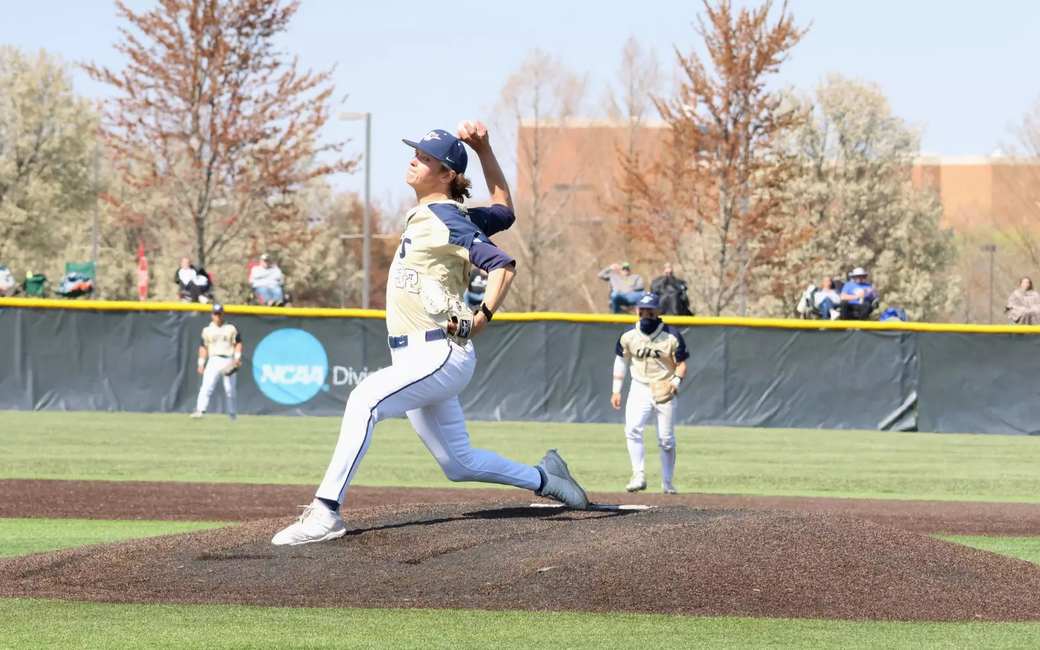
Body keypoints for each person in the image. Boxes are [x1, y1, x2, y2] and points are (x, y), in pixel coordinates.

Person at [271, 121, 590, 546]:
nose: (414, 160)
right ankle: (546, 478)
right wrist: (485, 151)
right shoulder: (446, 216)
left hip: (439, 353)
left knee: (364, 399)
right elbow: (505, 210)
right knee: (459, 463)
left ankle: (326, 511)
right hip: (416, 357)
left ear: (446, 175)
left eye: (425, 158)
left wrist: (482, 317)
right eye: (416, 153)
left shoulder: (446, 219)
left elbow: (503, 266)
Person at [610, 293, 689, 494]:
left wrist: (676, 381)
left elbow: (681, 365)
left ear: (658, 311)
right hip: (639, 387)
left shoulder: (671, 334)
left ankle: (668, 483)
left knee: (666, 439)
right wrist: (616, 390)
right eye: (642, 310)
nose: (646, 313)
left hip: (664, 387)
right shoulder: (629, 334)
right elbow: (621, 360)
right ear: (637, 310)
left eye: (650, 310)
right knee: (632, 430)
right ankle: (638, 475)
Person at [191, 303, 242, 421]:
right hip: (213, 359)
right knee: (206, 387)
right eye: (215, 313)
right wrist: (201, 363)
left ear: (223, 314)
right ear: (212, 315)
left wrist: (237, 357)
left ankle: (233, 414)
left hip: (228, 359)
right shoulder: (207, 330)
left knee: (230, 390)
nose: (217, 316)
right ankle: (200, 410)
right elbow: (203, 347)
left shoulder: (230, 328)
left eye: (219, 313)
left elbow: (238, 343)